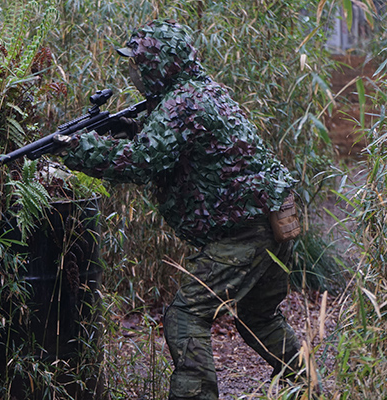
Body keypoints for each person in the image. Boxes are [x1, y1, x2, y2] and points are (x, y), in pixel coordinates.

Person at [54, 20, 303, 399]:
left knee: (185, 316)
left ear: (162, 65)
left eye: (139, 65)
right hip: (274, 220)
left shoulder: (181, 102)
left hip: (244, 234)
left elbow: (141, 163)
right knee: (259, 317)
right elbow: (183, 145)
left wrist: (78, 148)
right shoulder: (204, 92)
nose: (134, 73)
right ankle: (310, 385)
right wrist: (133, 129)